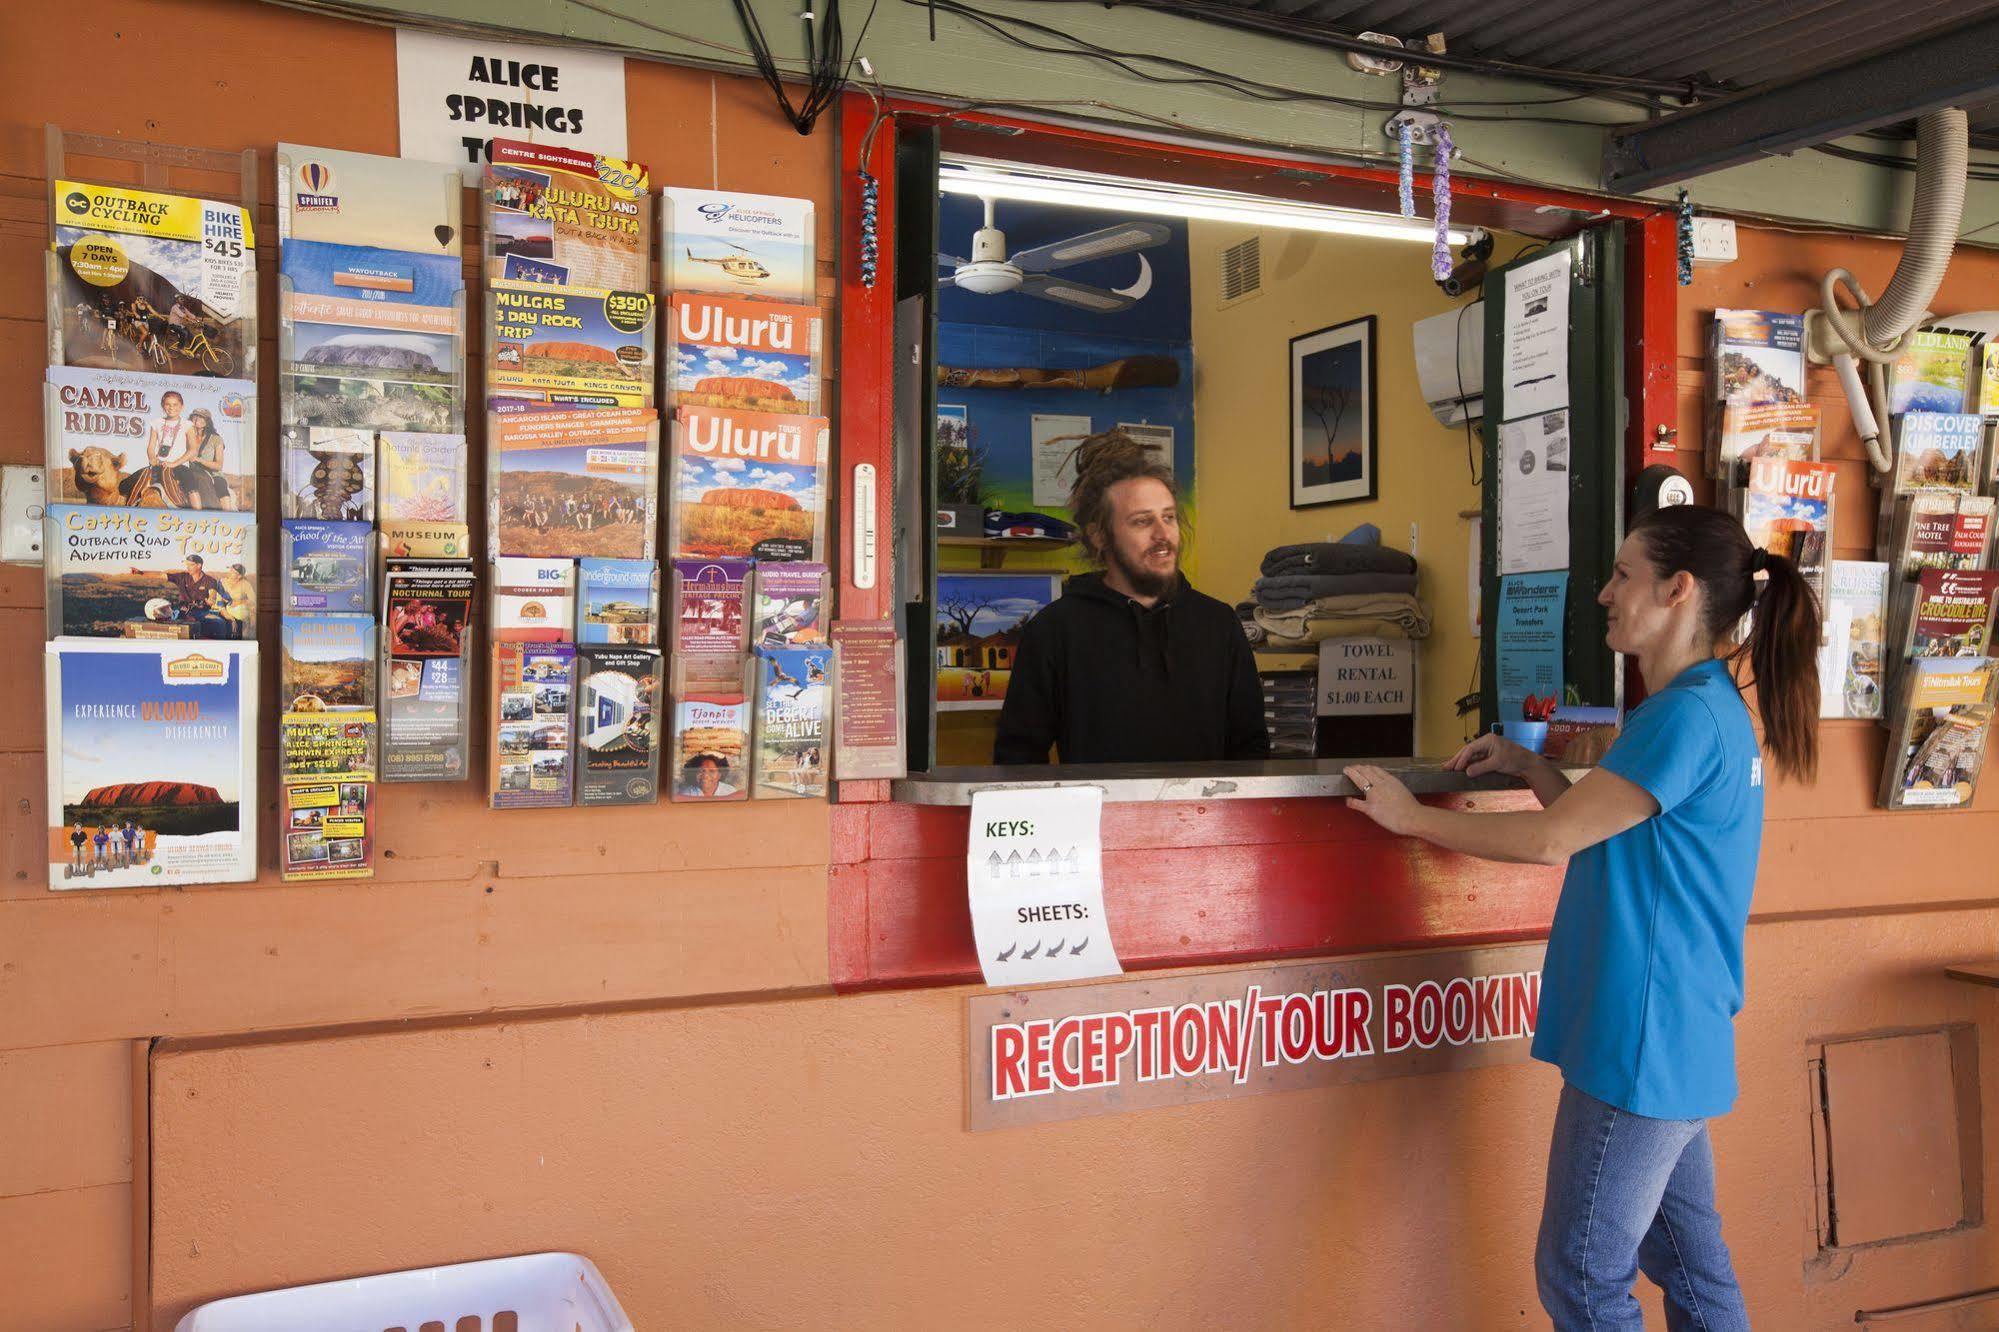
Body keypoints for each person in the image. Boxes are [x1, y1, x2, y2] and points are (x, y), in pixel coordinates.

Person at [1342, 505, 1821, 1332]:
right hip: (1675, 1032)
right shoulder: (1702, 710)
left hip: (1639, 1039)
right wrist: (1531, 763)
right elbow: (1605, 834)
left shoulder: (1681, 716)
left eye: (1622, 575)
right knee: (1689, 1267)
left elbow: (1551, 844)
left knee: (1582, 1278)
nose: (1602, 593)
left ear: (1676, 591)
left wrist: (1409, 817)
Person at [995, 429, 1267, 765]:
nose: (1162, 535)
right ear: (1098, 536)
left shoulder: (1218, 623)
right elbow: (1018, 758)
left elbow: (1252, 749)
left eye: (1168, 517)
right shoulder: (1054, 630)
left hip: (1203, 817)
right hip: (1097, 818)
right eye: (1142, 522)